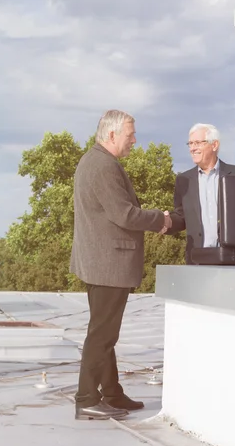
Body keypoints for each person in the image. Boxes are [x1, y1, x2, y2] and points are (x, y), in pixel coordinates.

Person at [70, 109, 171, 421]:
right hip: (108, 264)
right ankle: (87, 398)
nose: (134, 141)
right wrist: (162, 219)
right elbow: (125, 214)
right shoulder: (103, 165)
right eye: (130, 135)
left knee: (105, 333)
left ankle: (111, 393)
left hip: (101, 262)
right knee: (101, 335)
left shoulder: (95, 160)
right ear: (112, 135)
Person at [167, 123, 235, 263]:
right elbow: (182, 217)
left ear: (214, 145)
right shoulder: (183, 180)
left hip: (233, 258)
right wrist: (165, 223)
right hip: (198, 259)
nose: (193, 148)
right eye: (190, 143)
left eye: (198, 143)